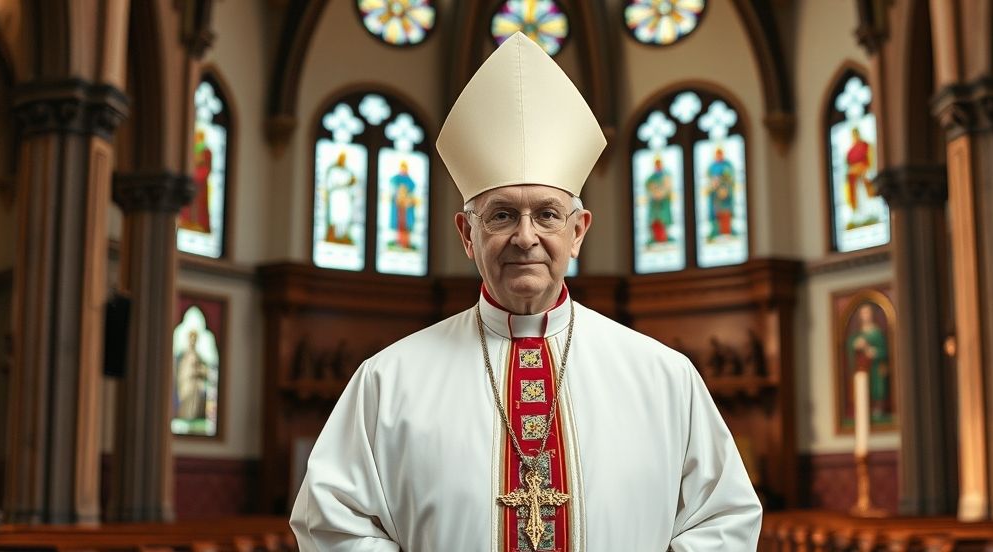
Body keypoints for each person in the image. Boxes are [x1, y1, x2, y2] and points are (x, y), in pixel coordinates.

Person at [290, 32, 762, 551]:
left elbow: (724, 519)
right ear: (467, 235)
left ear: (578, 231)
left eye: (547, 214)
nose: (525, 236)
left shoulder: (664, 377)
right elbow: (331, 523)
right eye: (501, 215)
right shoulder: (387, 381)